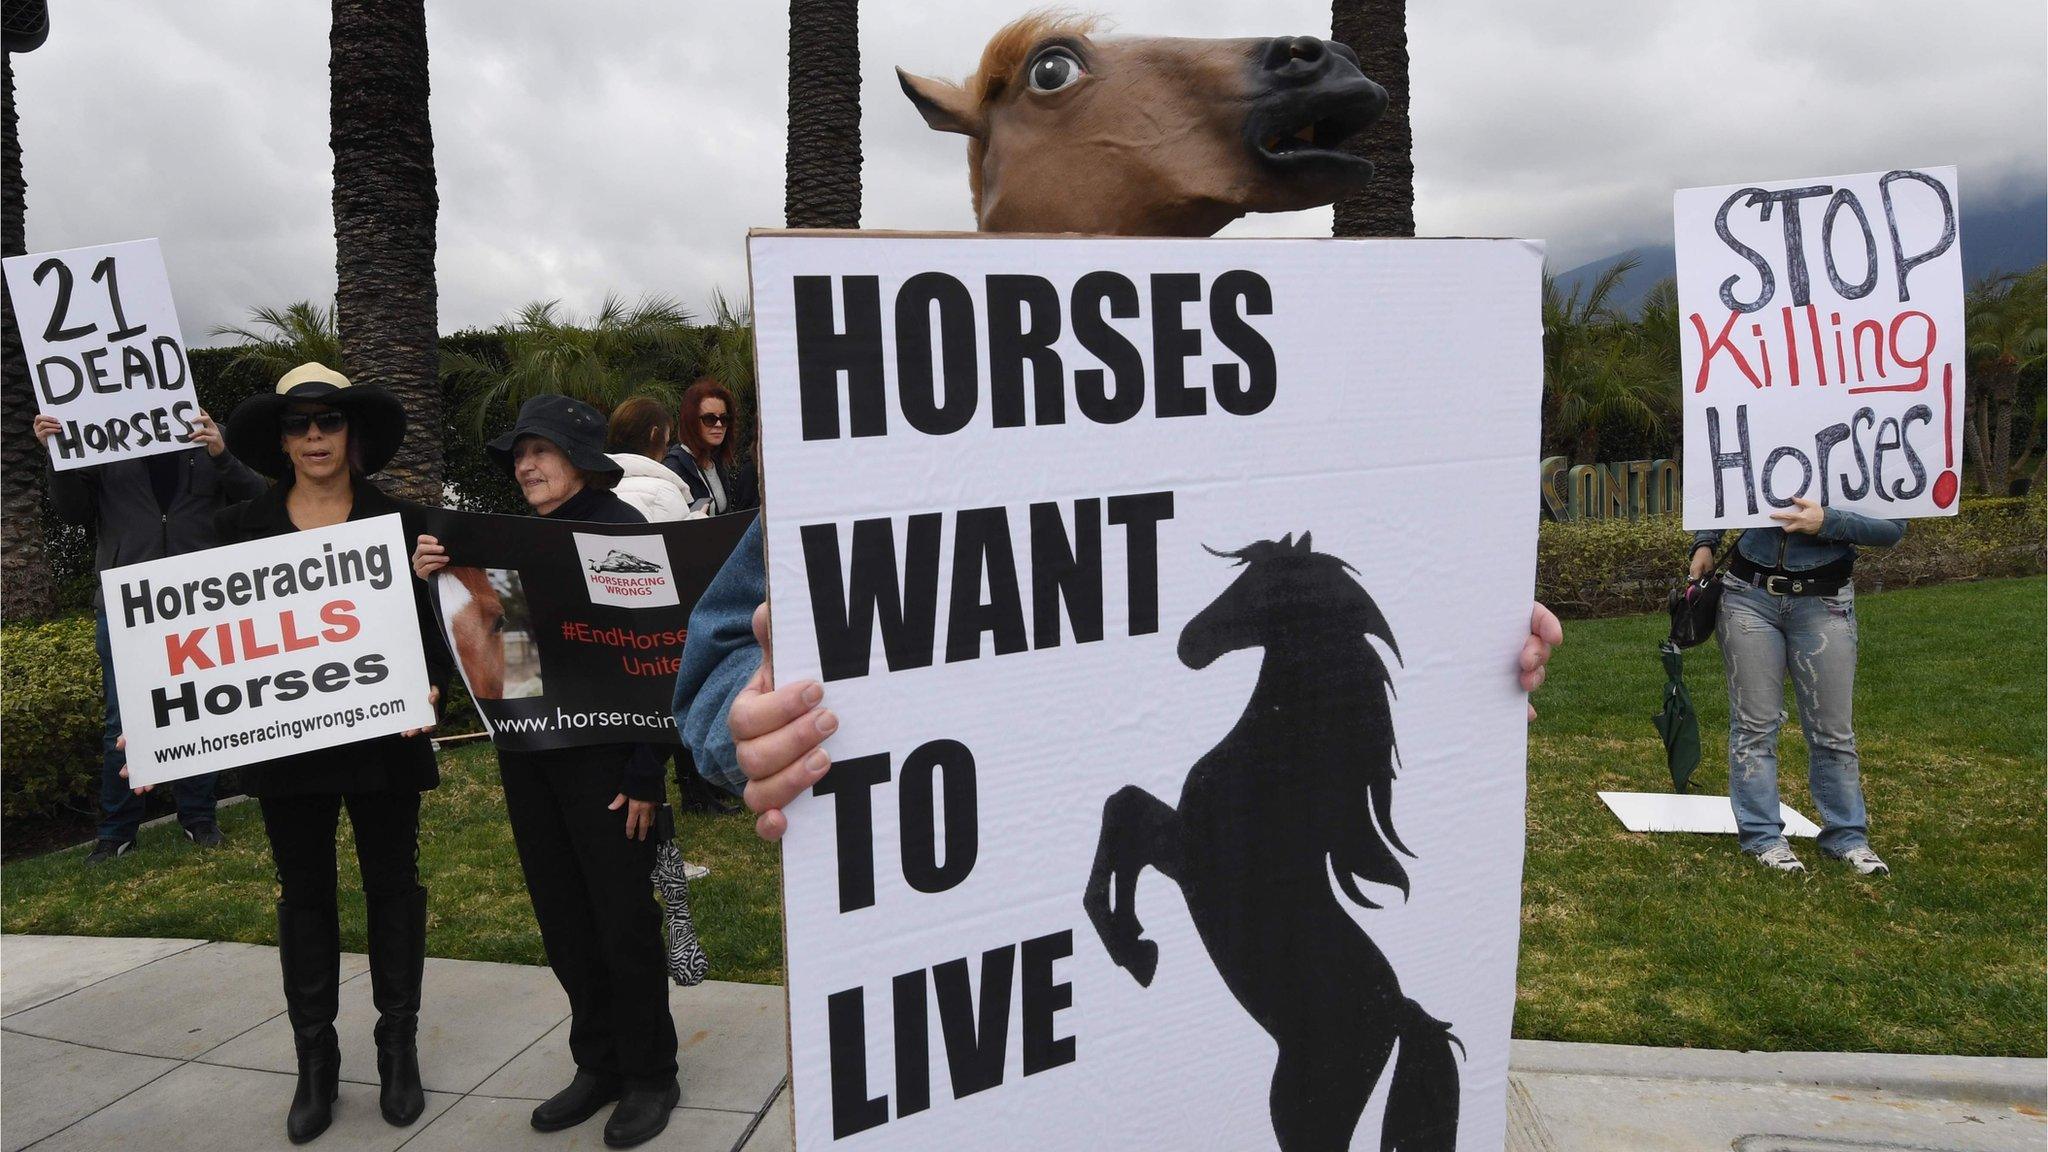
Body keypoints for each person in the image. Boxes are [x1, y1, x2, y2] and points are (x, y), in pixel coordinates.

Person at [674, 520, 1565, 841]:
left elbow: (1380, 556)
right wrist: (748, 723)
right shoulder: (879, 420)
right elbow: (719, 663)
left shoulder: (1276, 386)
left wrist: (1475, 630)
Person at [412, 394, 682, 1148]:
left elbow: (658, 653)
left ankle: (652, 1072)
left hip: (612, 766)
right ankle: (596, 1062)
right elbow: (503, 659)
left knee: (622, 920)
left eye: (543, 451)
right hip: (534, 757)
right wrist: (435, 579)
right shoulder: (520, 540)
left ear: (583, 459)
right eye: (520, 454)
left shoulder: (621, 530)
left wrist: (646, 770)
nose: (526, 465)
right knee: (564, 919)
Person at [215, 362, 449, 1143]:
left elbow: (445, 631)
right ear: (280, 441)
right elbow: (210, 647)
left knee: (392, 885)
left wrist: (434, 679)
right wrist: (161, 714)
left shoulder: (406, 525)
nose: (314, 436)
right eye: (297, 425)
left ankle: (397, 1047)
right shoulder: (242, 530)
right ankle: (314, 1061)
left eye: (329, 421)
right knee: (305, 893)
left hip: (385, 740)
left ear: (353, 434)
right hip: (290, 749)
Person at [39, 407, 267, 863]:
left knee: (201, 708)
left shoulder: (209, 434)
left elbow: (258, 501)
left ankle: (199, 818)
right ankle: (116, 832)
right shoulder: (97, 439)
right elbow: (72, 511)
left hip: (199, 599)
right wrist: (56, 454)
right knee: (122, 723)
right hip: (126, 604)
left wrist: (222, 455)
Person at [1689, 495, 1902, 876]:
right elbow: (1726, 481)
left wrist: (1828, 521)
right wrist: (1706, 541)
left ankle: (1848, 838)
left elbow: (1893, 528)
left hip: (1826, 601)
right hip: (1746, 596)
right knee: (1753, 726)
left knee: (1833, 731)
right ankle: (1762, 838)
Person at [662, 378, 756, 516]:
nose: (718, 425)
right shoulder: (674, 468)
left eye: (724, 419)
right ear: (692, 422)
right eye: (710, 419)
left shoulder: (716, 463)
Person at [604, 395, 701, 522]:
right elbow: (681, 540)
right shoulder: (665, 493)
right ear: (654, 433)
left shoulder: (589, 486)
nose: (666, 450)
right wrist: (697, 519)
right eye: (666, 443)